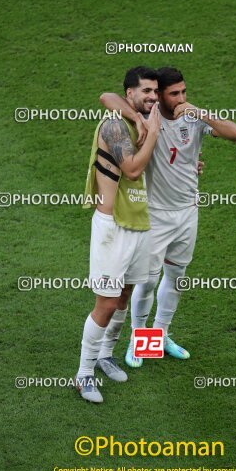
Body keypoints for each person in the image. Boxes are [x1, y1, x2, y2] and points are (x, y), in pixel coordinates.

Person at [100, 67, 236, 369]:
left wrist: (200, 112)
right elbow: (107, 96)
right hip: (155, 216)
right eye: (173, 94)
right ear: (159, 96)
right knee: (148, 282)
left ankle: (161, 334)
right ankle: (139, 342)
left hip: (188, 212)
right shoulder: (149, 119)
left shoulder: (193, 117)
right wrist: (138, 118)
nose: (181, 98)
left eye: (184, 92)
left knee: (177, 278)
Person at [76, 67, 160, 403]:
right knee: (107, 303)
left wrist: (144, 120)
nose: (152, 97)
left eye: (155, 91)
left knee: (125, 295)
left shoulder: (138, 117)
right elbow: (134, 169)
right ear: (130, 94)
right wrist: (150, 128)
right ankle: (83, 374)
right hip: (113, 228)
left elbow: (110, 98)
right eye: (145, 91)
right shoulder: (114, 125)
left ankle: (105, 355)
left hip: (139, 223)